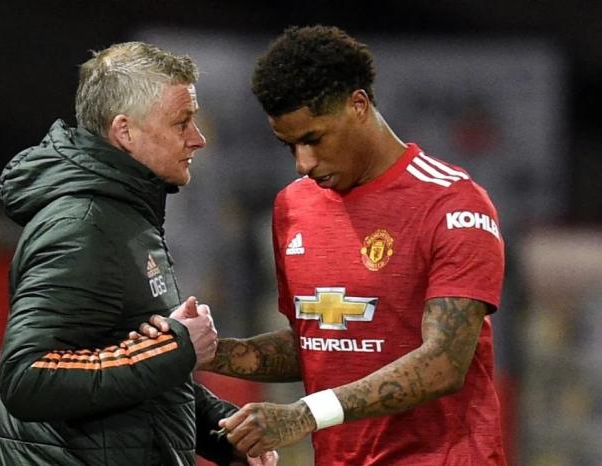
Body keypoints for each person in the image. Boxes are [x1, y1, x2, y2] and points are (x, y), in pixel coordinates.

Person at [202, 26, 507, 465]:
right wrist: (210, 353)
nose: (303, 163)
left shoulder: (452, 203)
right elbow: (320, 345)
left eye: (313, 139)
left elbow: (444, 362)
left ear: (358, 105)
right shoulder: (292, 208)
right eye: (289, 146)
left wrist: (306, 413)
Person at [0, 41, 277, 466]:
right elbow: (26, 377)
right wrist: (177, 347)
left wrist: (224, 432)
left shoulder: (125, 217)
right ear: (125, 132)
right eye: (182, 122)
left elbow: (133, 369)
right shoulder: (83, 225)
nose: (197, 139)